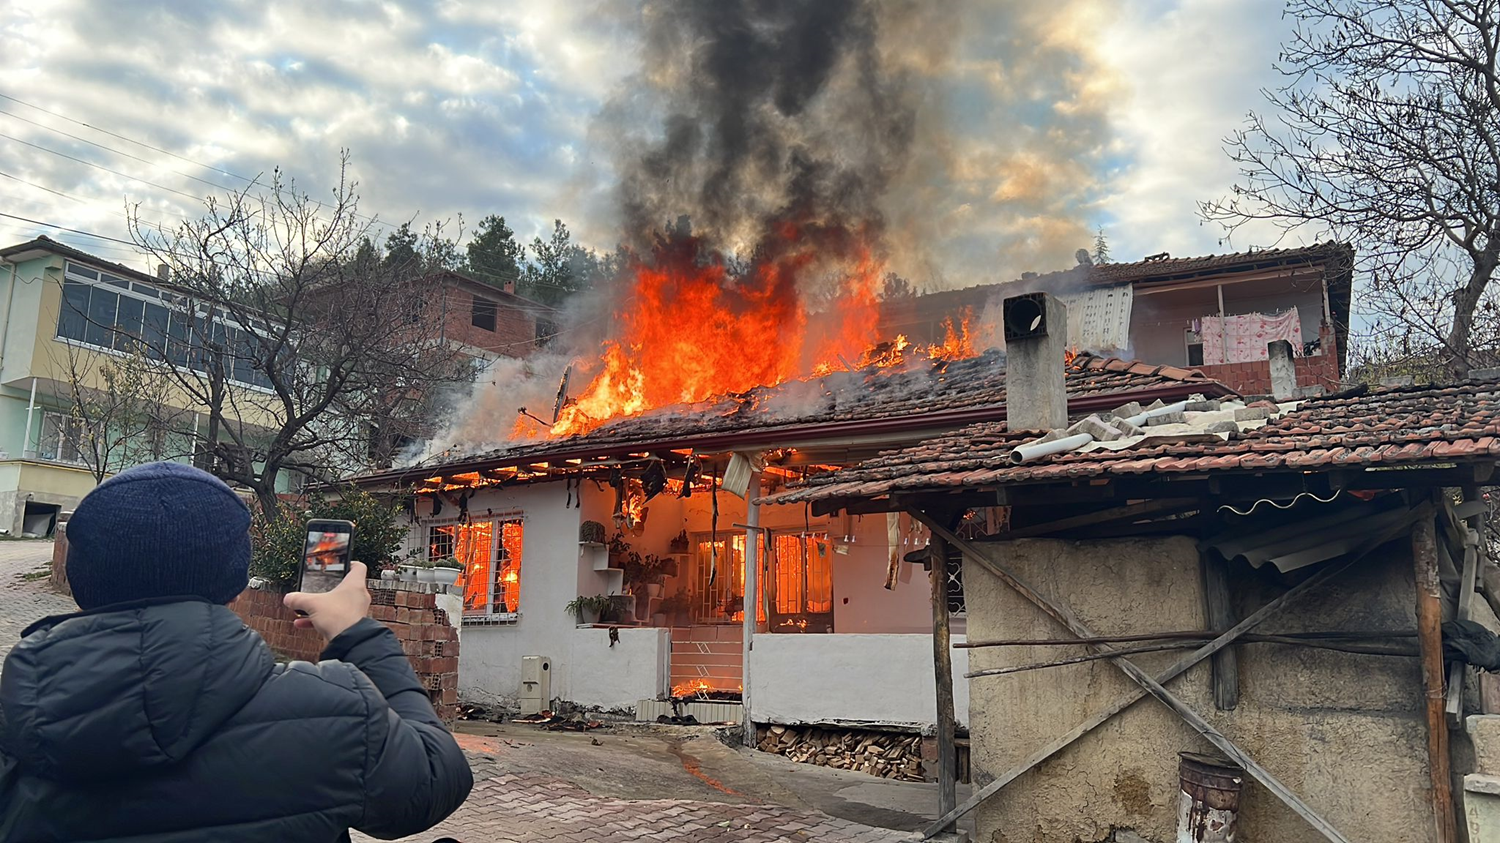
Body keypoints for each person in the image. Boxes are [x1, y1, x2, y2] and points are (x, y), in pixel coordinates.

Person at [0, 462, 473, 842]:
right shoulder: (330, 706)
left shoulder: (12, 718)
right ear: (233, 583)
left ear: (82, 582)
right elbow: (436, 779)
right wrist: (358, 632)